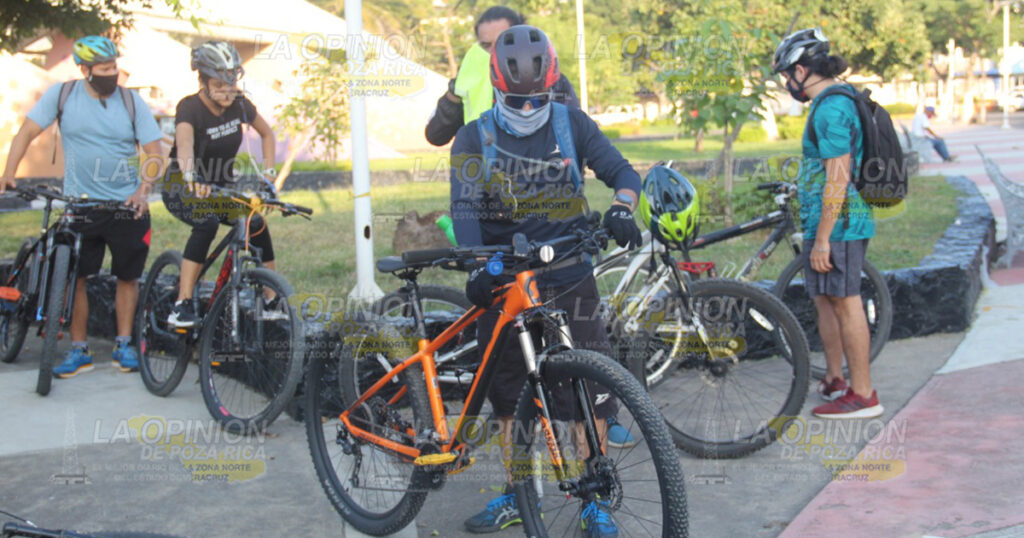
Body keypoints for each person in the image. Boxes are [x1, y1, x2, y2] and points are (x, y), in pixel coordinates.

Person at [450, 25, 640, 535]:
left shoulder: (571, 123)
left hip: (570, 276)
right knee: (509, 395)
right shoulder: (473, 137)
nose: (529, 110)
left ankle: (593, 498)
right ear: (495, 87)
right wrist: (475, 266)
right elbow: (465, 212)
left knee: (588, 391)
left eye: (538, 99)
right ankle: (517, 494)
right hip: (504, 283)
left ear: (551, 86)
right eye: (517, 101)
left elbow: (623, 174)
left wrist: (622, 208)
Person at [1, 35, 164, 378]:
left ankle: (123, 345)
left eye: (114, 67)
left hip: (126, 206)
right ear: (85, 69)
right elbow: (26, 132)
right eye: (105, 68)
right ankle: (79, 350)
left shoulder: (131, 101)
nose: (112, 74)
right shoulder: (62, 95)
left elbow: (154, 153)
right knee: (76, 277)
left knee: (127, 277)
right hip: (81, 204)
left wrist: (143, 189)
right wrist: (8, 174)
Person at [772, 28, 883, 419]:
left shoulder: (832, 108)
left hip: (839, 227)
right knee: (826, 299)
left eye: (788, 75)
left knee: (846, 301)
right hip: (828, 222)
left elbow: (838, 177)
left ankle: (864, 394)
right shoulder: (829, 104)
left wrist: (821, 241)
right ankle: (836, 379)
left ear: (802, 70)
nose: (788, 83)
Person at [163, 41, 283, 328]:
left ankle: (271, 300)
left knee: (256, 224)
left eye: (232, 83)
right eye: (219, 84)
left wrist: (268, 174)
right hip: (182, 185)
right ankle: (182, 304)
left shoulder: (239, 104)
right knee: (206, 223)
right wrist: (192, 177)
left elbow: (267, 134)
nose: (228, 91)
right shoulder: (189, 108)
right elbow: (185, 146)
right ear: (202, 82)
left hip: (219, 187)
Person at [424, 6, 580, 146]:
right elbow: (435, 137)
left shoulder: (551, 81)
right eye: (486, 45)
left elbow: (575, 132)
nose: (493, 52)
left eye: (501, 42)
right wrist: (454, 93)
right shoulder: (472, 82)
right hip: (487, 173)